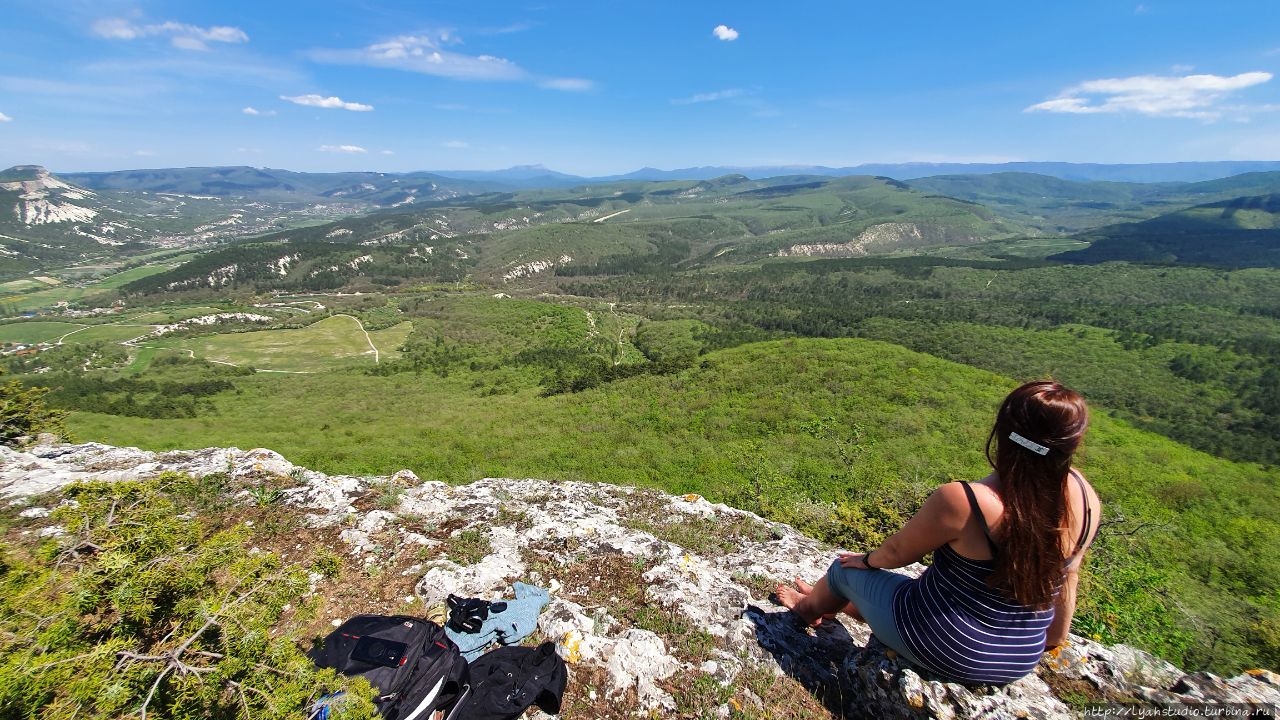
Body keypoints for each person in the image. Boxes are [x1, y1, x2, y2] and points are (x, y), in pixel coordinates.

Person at [775, 380, 1101, 685]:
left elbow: (896, 554)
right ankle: (843, 604)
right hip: (1019, 659)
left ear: (1003, 433)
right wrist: (1054, 637)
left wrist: (864, 561)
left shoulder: (966, 501)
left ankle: (810, 609)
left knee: (842, 571)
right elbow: (1068, 579)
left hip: (942, 644)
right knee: (921, 587)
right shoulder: (1086, 501)